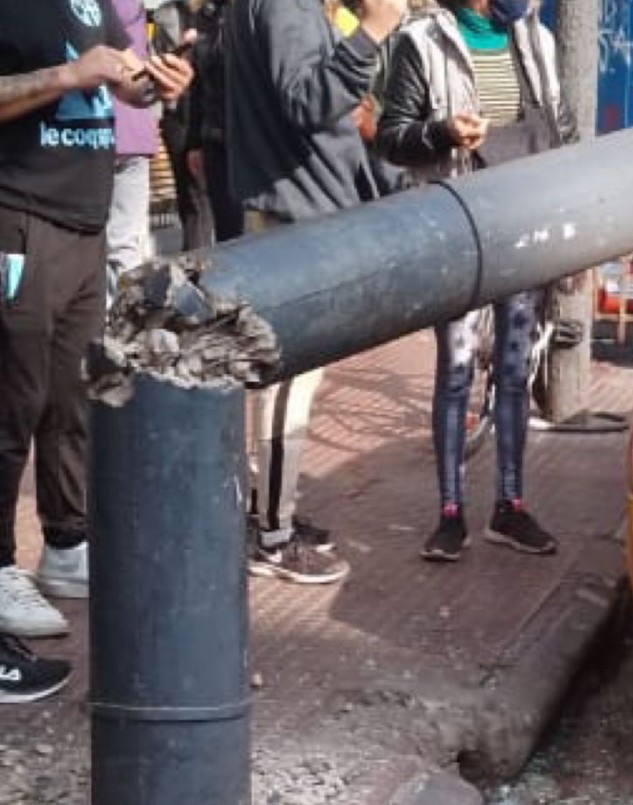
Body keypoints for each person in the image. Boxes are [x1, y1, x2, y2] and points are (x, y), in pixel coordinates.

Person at [0, 0, 191, 700]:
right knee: (10, 403)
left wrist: (157, 82)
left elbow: (123, 82)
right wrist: (66, 75)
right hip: (18, 215)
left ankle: (66, 542)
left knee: (70, 396)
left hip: (85, 221)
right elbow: (73, 74)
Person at [375, 0, 576, 562]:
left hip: (524, 230)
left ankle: (510, 506)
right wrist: (441, 132)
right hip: (458, 231)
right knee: (457, 370)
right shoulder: (423, 42)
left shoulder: (536, 41)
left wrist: (570, 233)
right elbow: (390, 138)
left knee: (514, 372)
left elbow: (561, 133)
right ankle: (450, 513)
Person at [225, 0, 403, 583]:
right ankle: (272, 538)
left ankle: (270, 512)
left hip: (292, 208)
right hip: (296, 215)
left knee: (283, 383)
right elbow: (306, 101)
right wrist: (373, 31)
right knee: (287, 384)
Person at [107, 0, 162, 298]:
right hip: (135, 130)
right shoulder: (136, 8)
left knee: (87, 245)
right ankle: (122, 317)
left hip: (90, 131)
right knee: (126, 246)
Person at [153, 0, 213, 250]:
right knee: (192, 197)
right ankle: (197, 259)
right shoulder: (165, 15)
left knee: (205, 198)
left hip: (210, 111)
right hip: (179, 113)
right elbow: (158, 63)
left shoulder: (216, 13)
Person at [186, 0, 242, 243]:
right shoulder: (205, 16)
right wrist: (194, 142)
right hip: (215, 139)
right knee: (227, 233)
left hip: (251, 140)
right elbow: (197, 86)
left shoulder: (257, 11)